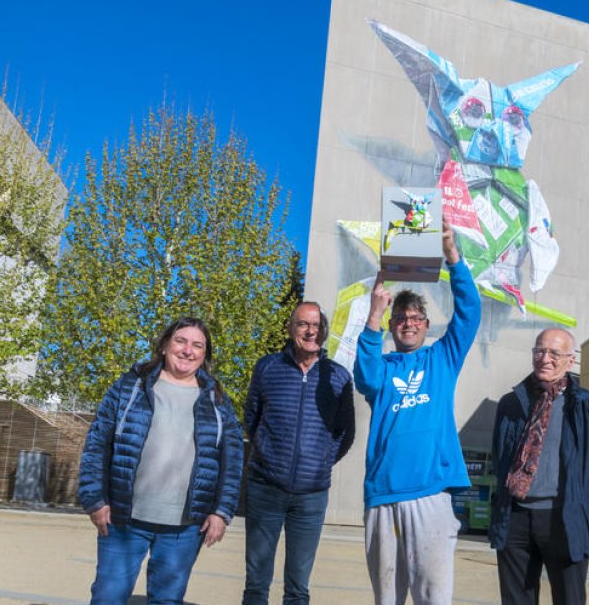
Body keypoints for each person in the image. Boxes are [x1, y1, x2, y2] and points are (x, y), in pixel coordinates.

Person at [354, 225, 482, 604]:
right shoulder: (382, 367)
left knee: (433, 597)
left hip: (431, 495)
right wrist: (375, 312)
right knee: (387, 599)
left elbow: (470, 313)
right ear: (392, 327)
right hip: (383, 495)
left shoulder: (442, 358)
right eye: (400, 318)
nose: (408, 323)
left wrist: (451, 253)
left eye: (416, 318)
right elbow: (364, 377)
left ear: (427, 326)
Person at [78, 317, 244, 604]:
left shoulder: (217, 400)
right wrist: (94, 498)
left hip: (185, 526)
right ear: (166, 345)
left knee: (167, 600)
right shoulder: (131, 386)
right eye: (181, 341)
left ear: (205, 355)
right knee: (108, 597)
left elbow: (232, 461)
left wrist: (221, 512)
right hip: (123, 519)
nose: (187, 351)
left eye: (197, 345)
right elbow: (97, 443)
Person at [490, 328, 589, 604]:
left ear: (570, 361)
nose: (544, 358)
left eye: (554, 353)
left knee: (569, 599)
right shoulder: (511, 403)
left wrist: (581, 501)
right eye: (539, 351)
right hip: (516, 518)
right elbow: (499, 455)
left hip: (565, 518)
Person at [242, 302, 356, 605]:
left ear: (325, 331)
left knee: (298, 586)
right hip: (265, 488)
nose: (310, 331)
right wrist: (268, 455)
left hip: (311, 495)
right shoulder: (267, 367)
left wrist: (319, 462)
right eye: (303, 324)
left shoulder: (339, 376)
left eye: (317, 325)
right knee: (256, 581)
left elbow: (345, 432)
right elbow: (251, 418)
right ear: (292, 328)